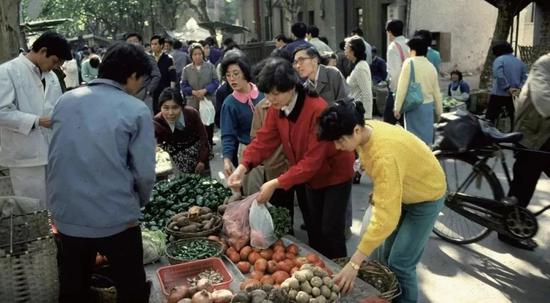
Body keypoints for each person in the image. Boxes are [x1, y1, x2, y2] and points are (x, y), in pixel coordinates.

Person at [47, 42, 155, 303]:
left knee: (74, 286)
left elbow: (58, 155)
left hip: (67, 215)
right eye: (141, 80)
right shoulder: (136, 110)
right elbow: (144, 174)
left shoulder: (65, 101)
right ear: (132, 76)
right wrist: (137, 203)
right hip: (116, 216)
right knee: (131, 289)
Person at [318, 101, 446, 303]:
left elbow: (386, 218)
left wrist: (354, 263)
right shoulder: (367, 130)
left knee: (401, 263)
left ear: (357, 129)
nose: (337, 146)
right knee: (387, 257)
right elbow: (386, 179)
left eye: (340, 141)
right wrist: (383, 191)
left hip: (426, 196)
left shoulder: (384, 156)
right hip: (404, 192)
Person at [227, 57, 354, 259]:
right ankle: (320, 267)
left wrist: (276, 183)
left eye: (276, 94)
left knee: (330, 230)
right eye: (268, 94)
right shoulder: (278, 108)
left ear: (292, 86)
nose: (271, 99)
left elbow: (313, 161)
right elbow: (264, 139)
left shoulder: (316, 108)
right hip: (306, 175)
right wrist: (242, 166)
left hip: (334, 175)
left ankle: (339, 271)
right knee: (313, 226)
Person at [0, 31, 72, 210]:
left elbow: (57, 106)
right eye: (54, 61)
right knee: (32, 208)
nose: (55, 66)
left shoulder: (51, 76)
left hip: (52, 151)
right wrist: (37, 121)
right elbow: (2, 112)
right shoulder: (7, 72)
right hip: (25, 155)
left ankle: (55, 237)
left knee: (56, 204)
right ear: (43, 51)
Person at [502, 53, 550, 250]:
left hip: (545, 136)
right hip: (532, 135)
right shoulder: (544, 64)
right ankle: (508, 230)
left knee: (523, 183)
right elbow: (544, 101)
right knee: (524, 184)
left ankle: (512, 222)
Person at [220, 55, 265, 194]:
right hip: (248, 152)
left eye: (235, 74)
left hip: (273, 151)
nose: (232, 78)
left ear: (245, 73)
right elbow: (228, 135)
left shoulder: (264, 93)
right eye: (228, 75)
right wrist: (227, 159)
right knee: (255, 196)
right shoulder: (229, 103)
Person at [393, 36, 443, 145]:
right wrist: (440, 112)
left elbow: (402, 88)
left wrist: (397, 108)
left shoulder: (409, 63)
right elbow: (437, 93)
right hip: (428, 110)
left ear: (413, 50)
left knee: (413, 143)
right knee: (426, 143)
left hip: (413, 107)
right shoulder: (431, 67)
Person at [154, 87, 210, 175]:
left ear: (182, 106)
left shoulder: (192, 114)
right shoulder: (157, 122)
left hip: (198, 153)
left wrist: (202, 160)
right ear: (160, 108)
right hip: (177, 161)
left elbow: (204, 138)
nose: (170, 113)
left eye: (175, 107)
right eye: (166, 108)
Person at [181, 43, 219, 145]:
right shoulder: (187, 69)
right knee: (194, 124)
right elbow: (183, 85)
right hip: (193, 101)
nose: (197, 56)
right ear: (191, 56)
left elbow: (216, 82)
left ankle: (209, 144)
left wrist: (205, 90)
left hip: (208, 99)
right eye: (195, 54)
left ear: (203, 54)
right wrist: (193, 92)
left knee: (208, 124)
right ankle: (198, 146)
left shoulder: (210, 67)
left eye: (199, 54)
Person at [485, 41, 528, 130]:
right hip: (514, 96)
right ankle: (510, 138)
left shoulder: (499, 60)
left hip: (498, 94)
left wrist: (507, 87)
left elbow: (499, 75)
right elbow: (525, 78)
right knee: (512, 118)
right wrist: (518, 89)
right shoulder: (519, 62)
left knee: (490, 119)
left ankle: (491, 139)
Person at [125, 32, 161, 112]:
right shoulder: (125, 58)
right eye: (129, 41)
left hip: (144, 95)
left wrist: (148, 91)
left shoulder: (147, 57)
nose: (132, 44)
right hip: (128, 96)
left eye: (135, 41)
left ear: (140, 42)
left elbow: (156, 75)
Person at [384, 19, 410, 124]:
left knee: (388, 123)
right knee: (406, 123)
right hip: (411, 88)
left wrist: (394, 91)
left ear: (389, 32)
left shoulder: (393, 47)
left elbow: (394, 73)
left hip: (398, 89)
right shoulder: (409, 43)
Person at [345, 37, 373, 119]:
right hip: (356, 111)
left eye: (346, 48)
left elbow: (367, 92)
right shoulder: (358, 65)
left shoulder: (360, 67)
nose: (345, 51)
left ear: (353, 50)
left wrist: (367, 116)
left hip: (360, 114)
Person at [150, 35, 177, 112]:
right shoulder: (149, 58)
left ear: (161, 45)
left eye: (155, 44)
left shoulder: (168, 58)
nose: (153, 46)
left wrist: (171, 91)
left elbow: (173, 76)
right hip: (152, 91)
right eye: (152, 44)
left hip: (164, 90)